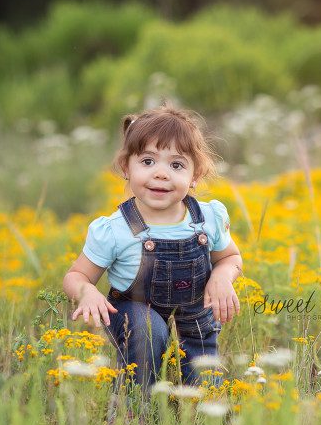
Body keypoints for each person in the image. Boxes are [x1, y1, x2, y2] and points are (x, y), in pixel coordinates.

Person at [62, 102, 242, 391]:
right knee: (149, 331)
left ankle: (201, 417)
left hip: (195, 310)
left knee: (207, 385)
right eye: (148, 161)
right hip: (135, 309)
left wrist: (222, 276)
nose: (161, 173)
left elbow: (230, 257)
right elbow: (76, 276)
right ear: (126, 167)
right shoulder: (115, 229)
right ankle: (135, 408)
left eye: (176, 165)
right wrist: (87, 293)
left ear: (195, 175)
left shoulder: (208, 217)